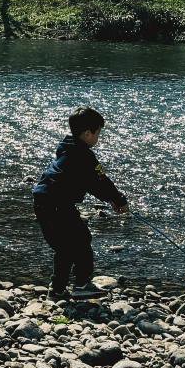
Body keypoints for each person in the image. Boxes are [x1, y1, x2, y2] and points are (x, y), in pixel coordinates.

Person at [31, 107, 129, 299]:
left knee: (66, 246)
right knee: (80, 241)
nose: (98, 138)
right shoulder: (84, 156)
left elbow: (90, 183)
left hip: (44, 201)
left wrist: (111, 199)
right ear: (87, 133)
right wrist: (119, 200)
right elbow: (100, 181)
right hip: (57, 204)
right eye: (97, 133)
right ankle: (81, 284)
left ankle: (58, 289)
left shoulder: (67, 148)